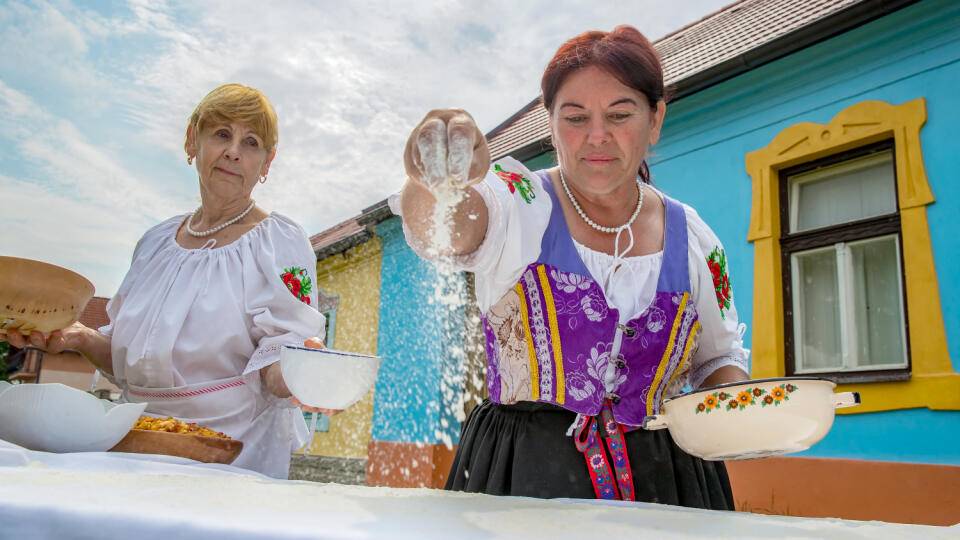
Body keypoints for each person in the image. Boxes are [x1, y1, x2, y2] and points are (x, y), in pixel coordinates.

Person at [393, 26, 749, 507]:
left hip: (670, 482)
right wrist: (437, 175)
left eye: (620, 115)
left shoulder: (694, 240)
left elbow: (717, 360)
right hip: (522, 475)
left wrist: (747, 411)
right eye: (575, 117)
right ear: (550, 123)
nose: (597, 136)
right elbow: (452, 227)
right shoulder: (518, 201)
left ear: (656, 118)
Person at [6, 83, 333, 478]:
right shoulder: (154, 243)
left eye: (251, 142)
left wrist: (301, 374)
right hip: (135, 445)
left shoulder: (278, 242)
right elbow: (132, 364)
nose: (234, 151)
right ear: (192, 141)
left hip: (231, 459)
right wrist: (78, 336)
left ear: (267, 163)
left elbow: (282, 351)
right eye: (222, 134)